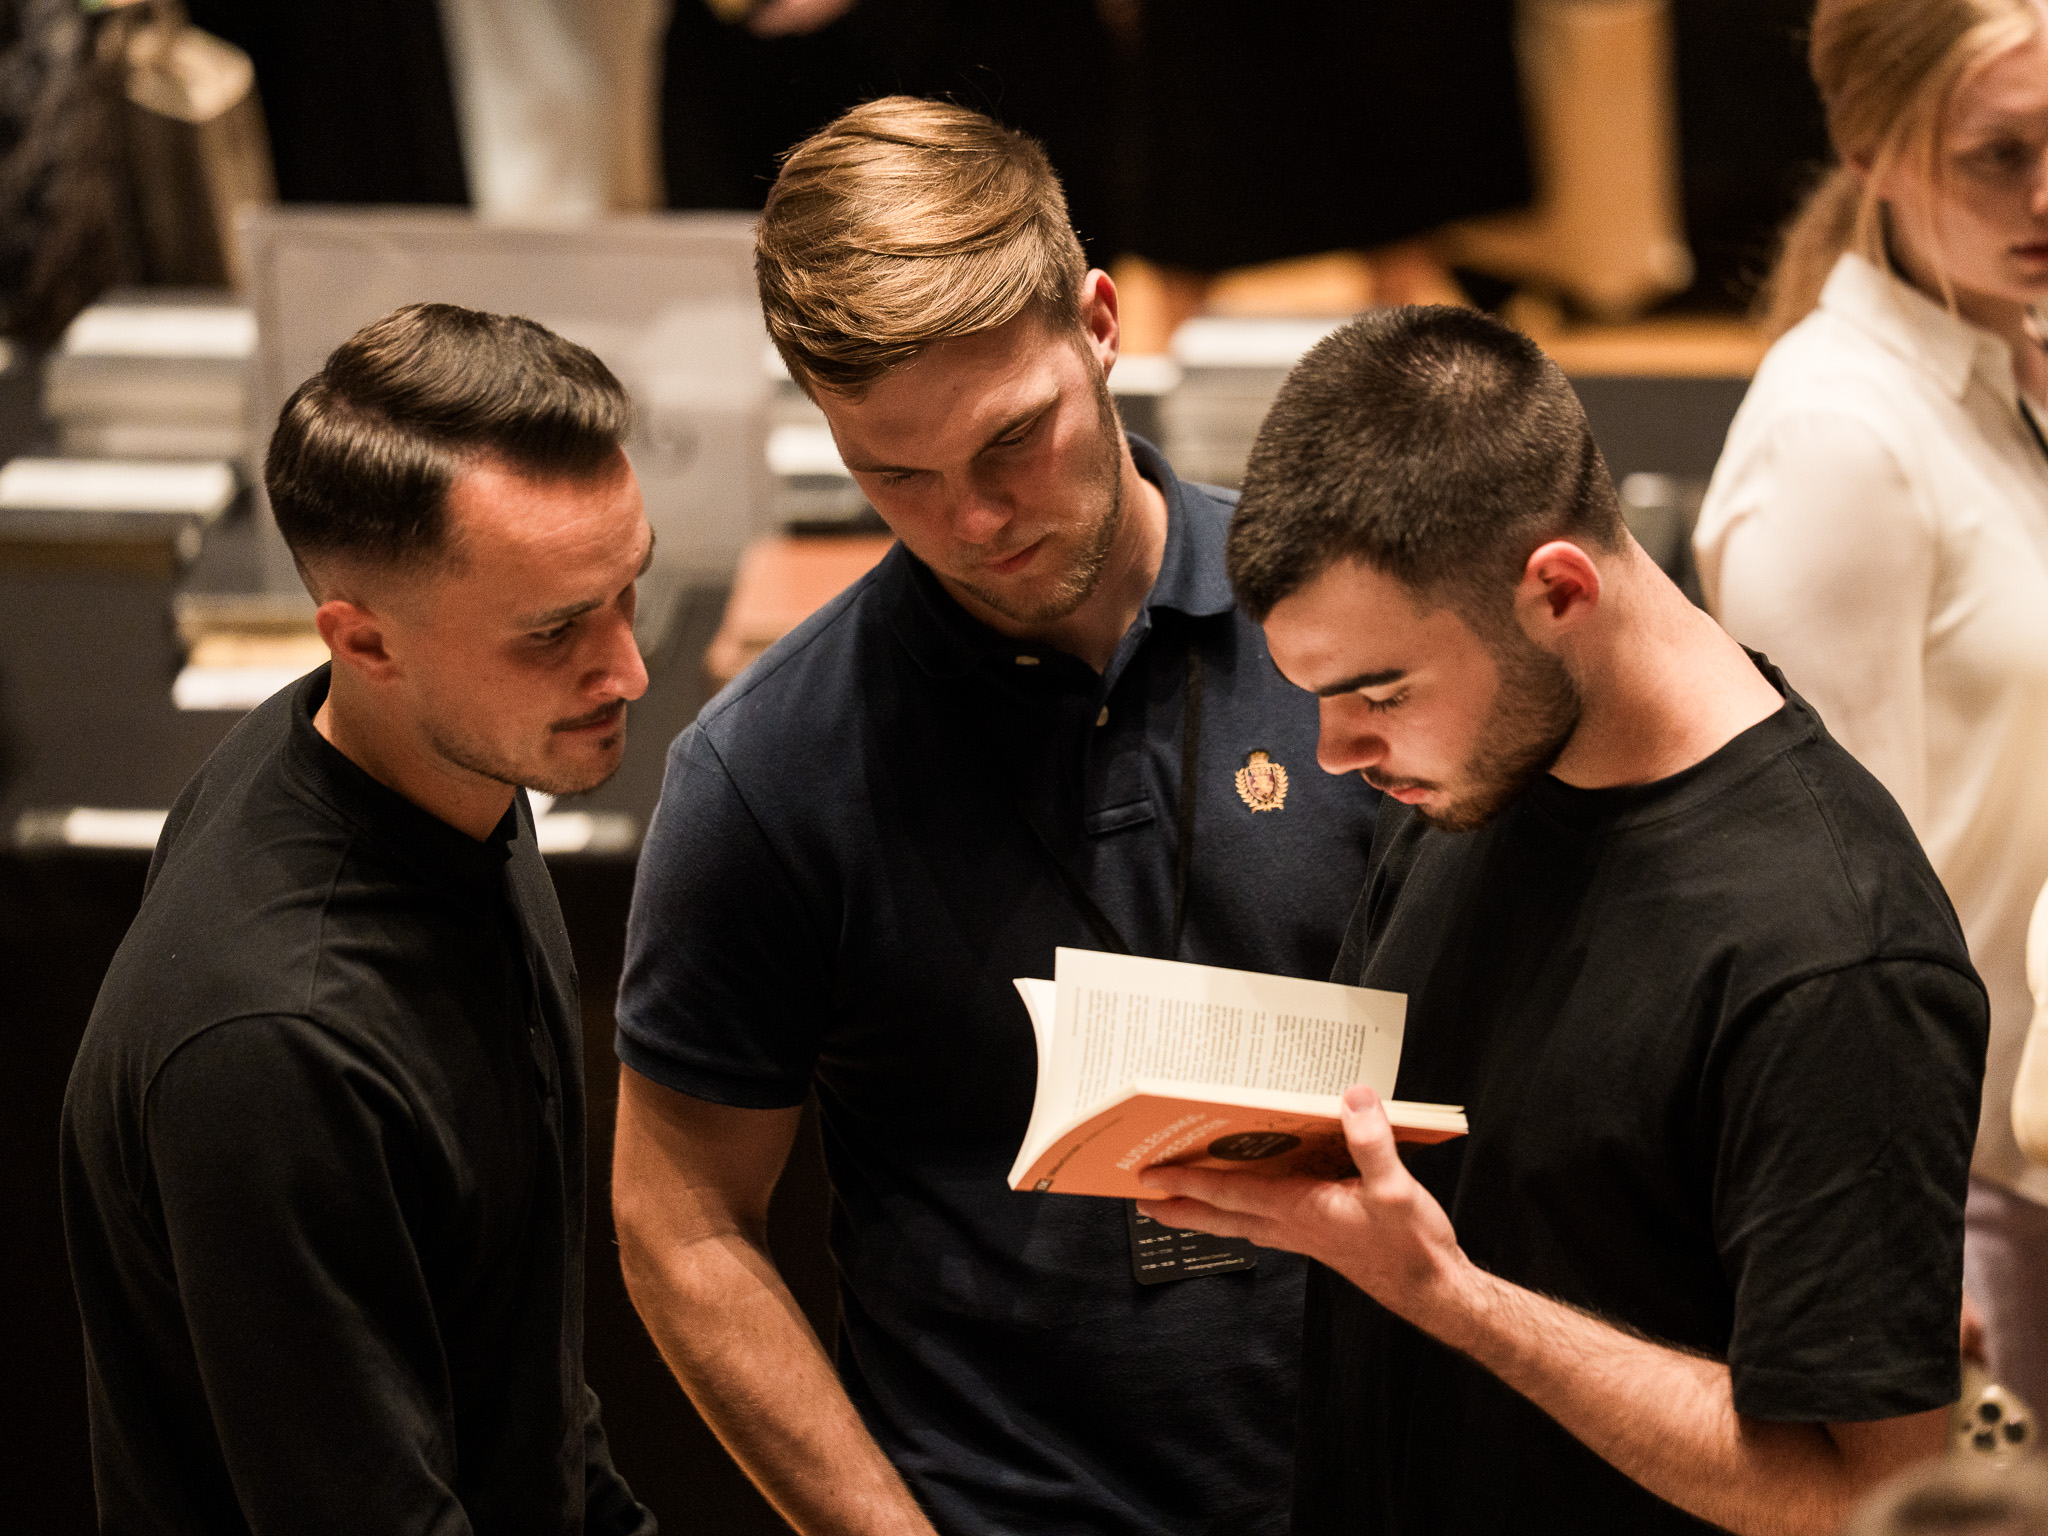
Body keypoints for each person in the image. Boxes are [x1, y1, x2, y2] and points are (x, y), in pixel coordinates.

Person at [610, 97, 1380, 1535]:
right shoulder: (768, 772)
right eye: (893, 475)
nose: (973, 522)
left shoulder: (1351, 626)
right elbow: (681, 1221)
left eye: (1011, 439)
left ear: (1099, 323)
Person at [1139, 305, 1988, 1536]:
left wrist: (1455, 1301)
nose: (1333, 753)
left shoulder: (1833, 956)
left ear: (1555, 590)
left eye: (1379, 692)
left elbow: (1861, 1495)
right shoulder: (1480, 766)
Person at [60, 303, 657, 1536]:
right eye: (555, 632)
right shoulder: (276, 1043)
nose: (626, 672)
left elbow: (518, 1380)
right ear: (364, 640)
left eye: (627, 595)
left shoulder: (448, 763)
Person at [1693, 0, 2048, 1413]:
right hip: (1968, 1198)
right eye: (1998, 156)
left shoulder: (2010, 356)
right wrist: (1902, 1251)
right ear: (1870, 149)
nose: (2047, 195)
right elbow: (1839, 915)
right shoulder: (1835, 439)